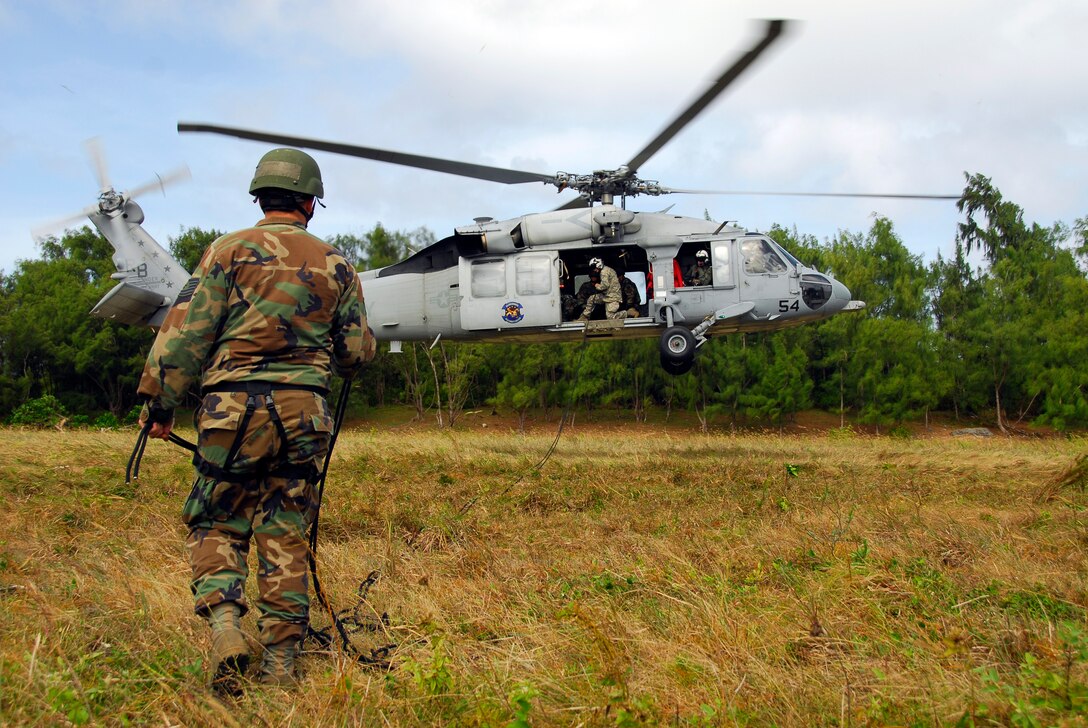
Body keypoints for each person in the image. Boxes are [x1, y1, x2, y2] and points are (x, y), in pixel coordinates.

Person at [137, 148, 376, 693]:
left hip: (229, 413)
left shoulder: (226, 251)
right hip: (304, 416)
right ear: (311, 203)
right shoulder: (337, 263)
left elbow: (184, 333)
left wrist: (160, 403)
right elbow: (356, 354)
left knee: (217, 518)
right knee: (285, 529)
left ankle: (225, 628)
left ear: (259, 197)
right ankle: (281, 668)